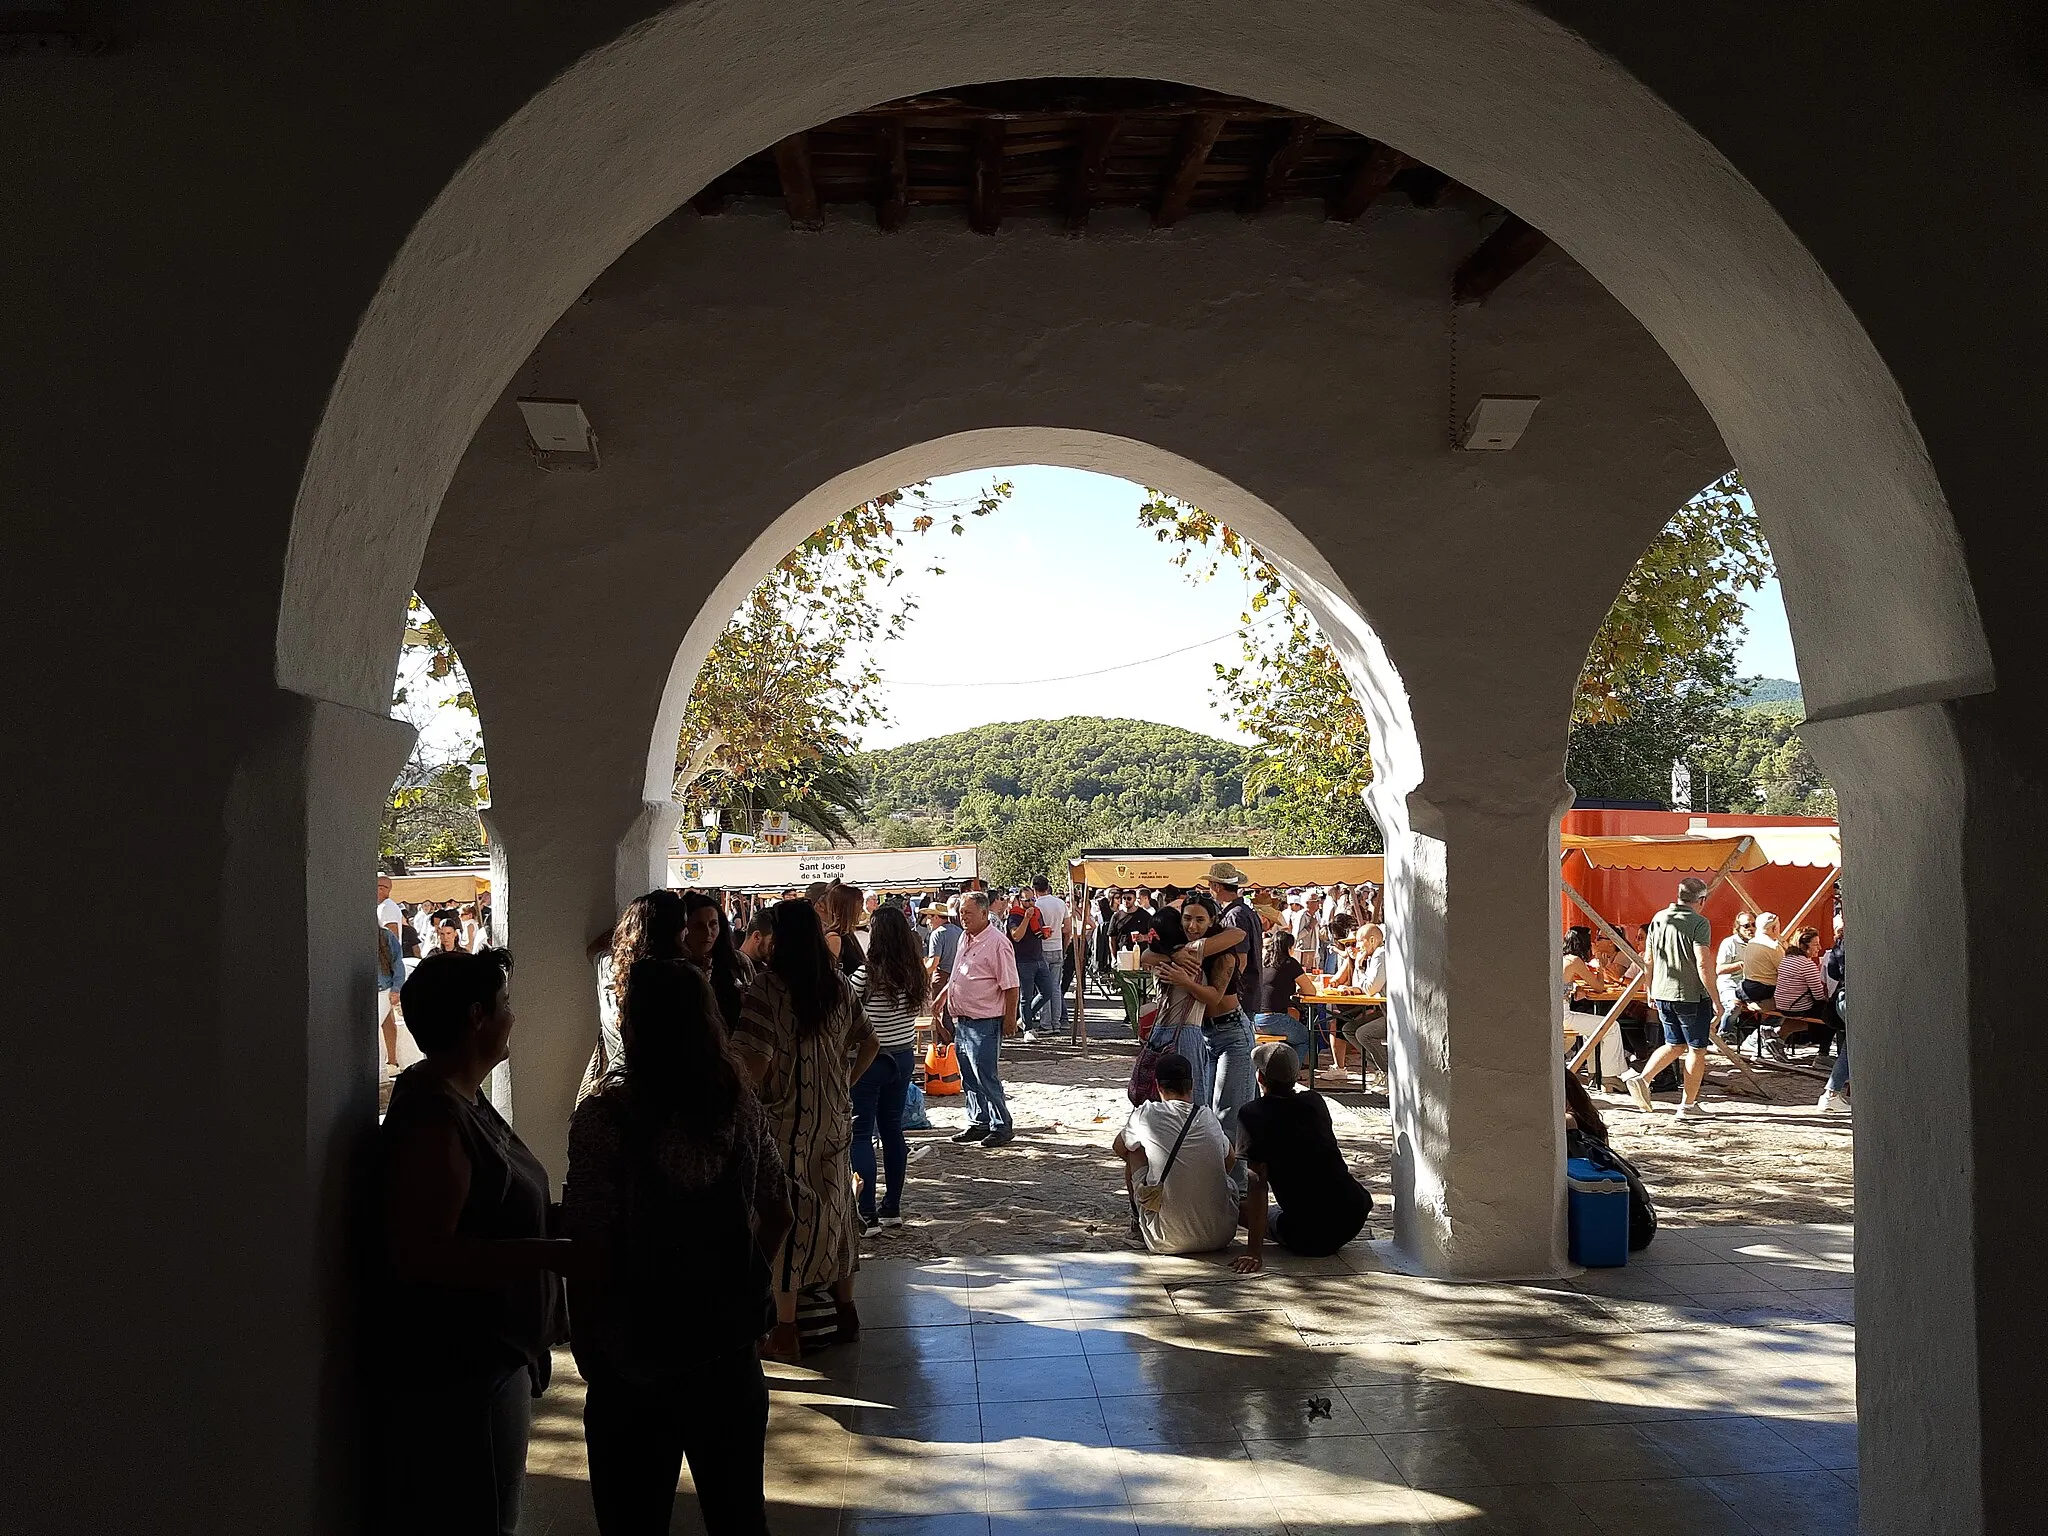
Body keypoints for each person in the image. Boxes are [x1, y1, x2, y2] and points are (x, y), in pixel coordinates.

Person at [565, 959, 790, 1536]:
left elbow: (590, 1243)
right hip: (724, 1346)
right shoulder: (739, 1107)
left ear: (631, 1024)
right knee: (739, 1514)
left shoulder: (602, 1118)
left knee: (632, 1519)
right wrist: (747, 1279)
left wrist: (587, 1338)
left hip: (633, 1347)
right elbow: (779, 1211)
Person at [375, 947, 570, 1536]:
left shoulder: (464, 1097)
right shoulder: (434, 1119)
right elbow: (427, 1253)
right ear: (478, 1015)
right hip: (463, 1371)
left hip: (493, 1360)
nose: (515, 1015)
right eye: (506, 1003)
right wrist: (554, 1255)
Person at [732, 900, 878, 1361]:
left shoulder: (768, 991)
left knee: (786, 1220)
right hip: (833, 1119)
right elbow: (869, 1042)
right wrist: (842, 1084)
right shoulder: (836, 985)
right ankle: (846, 1311)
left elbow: (752, 1063)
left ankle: (787, 1330)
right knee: (839, 1215)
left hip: (782, 1124)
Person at [1233, 1042, 1371, 1270]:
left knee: (1236, 1209)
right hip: (1353, 1215)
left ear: (1260, 1077)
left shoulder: (1253, 1114)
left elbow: (1257, 1184)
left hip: (1308, 1233)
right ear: (1296, 1076)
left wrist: (1253, 1252)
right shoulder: (1314, 1101)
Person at [1161, 891, 1256, 1196]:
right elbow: (1149, 954)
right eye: (1187, 918)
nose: (1192, 925)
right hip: (1204, 1034)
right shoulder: (1184, 948)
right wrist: (1174, 955)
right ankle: (1215, 1184)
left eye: (1200, 919)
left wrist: (1185, 981)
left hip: (1232, 1034)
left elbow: (1214, 996)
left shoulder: (1222, 951)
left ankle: (1236, 1189)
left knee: (1231, 1115)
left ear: (1212, 920)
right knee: (1209, 1114)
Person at [848, 904, 927, 1236]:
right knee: (893, 1131)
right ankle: (892, 1205)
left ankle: (866, 1212)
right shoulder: (914, 973)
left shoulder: (868, 974)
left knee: (862, 1133)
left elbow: (846, 1010)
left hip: (870, 1059)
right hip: (903, 1056)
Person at [1112, 1051, 1239, 1255]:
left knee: (1133, 1151)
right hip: (1221, 1235)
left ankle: (1137, 1222)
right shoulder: (1207, 1116)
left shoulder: (1145, 1114)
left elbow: (1119, 1147)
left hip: (1165, 1239)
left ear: (1158, 1086)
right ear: (1192, 1084)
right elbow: (1230, 1159)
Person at [1622, 876, 1719, 1119]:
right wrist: (1716, 998)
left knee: (1674, 1044)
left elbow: (1648, 959)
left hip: (1663, 992)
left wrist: (1650, 988)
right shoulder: (1699, 923)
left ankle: (1643, 1079)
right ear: (1702, 900)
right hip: (1691, 995)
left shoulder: (1658, 918)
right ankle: (1688, 1105)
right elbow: (1703, 963)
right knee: (1697, 1049)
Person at [931, 891, 1020, 1147]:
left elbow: (1011, 985)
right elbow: (959, 973)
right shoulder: (963, 938)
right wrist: (943, 998)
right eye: (961, 913)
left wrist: (1010, 1018)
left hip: (986, 1020)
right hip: (964, 1021)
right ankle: (978, 1121)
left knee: (985, 1074)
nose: (963, 918)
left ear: (984, 913)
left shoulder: (997, 942)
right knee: (968, 1075)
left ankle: (1001, 1124)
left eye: (968, 913)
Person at [586, 891, 689, 1100]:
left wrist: (635, 923)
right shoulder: (682, 981)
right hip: (665, 1096)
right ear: (677, 932)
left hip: (615, 1091)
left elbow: (593, 949)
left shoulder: (610, 969)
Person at [1563, 925, 1628, 1092]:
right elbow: (1599, 987)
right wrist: (1600, 967)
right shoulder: (1575, 961)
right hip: (1564, 1016)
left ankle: (1594, 1073)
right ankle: (1610, 1076)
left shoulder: (1561, 958)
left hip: (1558, 1013)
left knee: (1593, 1029)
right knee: (1611, 1026)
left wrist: (1573, 989)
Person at [682, 889, 750, 1031]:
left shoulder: (738, 962)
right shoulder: (675, 969)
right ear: (685, 928)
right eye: (699, 926)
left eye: (713, 924)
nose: (707, 933)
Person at [1774, 924, 1841, 1055]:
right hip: (1797, 1007)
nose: (1819, 948)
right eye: (1815, 944)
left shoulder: (1786, 960)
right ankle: (1823, 1054)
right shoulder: (1806, 964)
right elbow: (1818, 996)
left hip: (1782, 1004)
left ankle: (1778, 1037)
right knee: (1832, 1016)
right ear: (1804, 946)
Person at [1006, 882, 1056, 1042]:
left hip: (1038, 957)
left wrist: (1045, 934)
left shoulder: (1038, 913)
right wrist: (1026, 918)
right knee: (1025, 996)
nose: (1031, 903)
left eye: (1033, 900)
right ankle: (1028, 1029)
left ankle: (1025, 1018)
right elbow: (1016, 936)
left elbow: (1037, 932)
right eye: (1027, 901)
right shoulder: (1014, 916)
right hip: (1023, 960)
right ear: (1019, 901)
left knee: (1047, 991)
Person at [1250, 930, 1312, 1060]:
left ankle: (1276, 1070)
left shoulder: (1265, 962)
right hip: (1274, 1019)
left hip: (1255, 1019)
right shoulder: (1290, 963)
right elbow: (1311, 991)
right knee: (1305, 1038)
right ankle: (1289, 1074)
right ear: (1289, 947)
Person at [1714, 910, 1758, 1035]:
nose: (1751, 929)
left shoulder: (1759, 943)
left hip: (1751, 985)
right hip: (1730, 984)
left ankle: (1759, 1039)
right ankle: (1724, 1034)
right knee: (1735, 1006)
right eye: (1746, 926)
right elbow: (1719, 970)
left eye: (1754, 925)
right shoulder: (1729, 943)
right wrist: (1740, 965)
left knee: (1780, 1006)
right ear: (1738, 928)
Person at [820, 882, 866, 978]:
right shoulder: (834, 937)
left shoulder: (848, 934)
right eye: (860, 907)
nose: (862, 911)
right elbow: (828, 974)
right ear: (849, 909)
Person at [1738, 912, 1783, 1005]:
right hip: (1766, 991)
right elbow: (1785, 972)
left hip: (1747, 989)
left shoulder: (1751, 943)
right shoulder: (1774, 947)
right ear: (1775, 928)